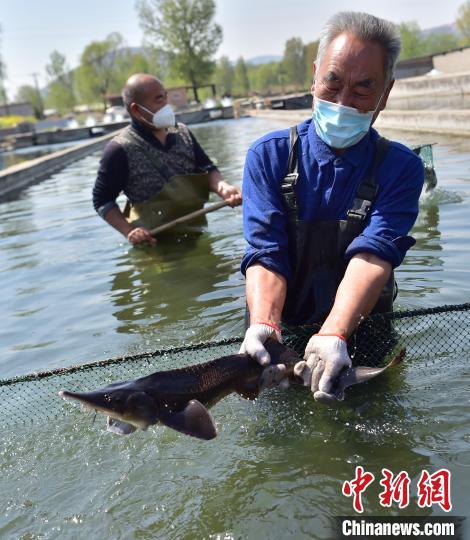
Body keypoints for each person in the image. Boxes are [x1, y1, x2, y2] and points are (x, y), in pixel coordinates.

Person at [239, 12, 425, 401]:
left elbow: (374, 254)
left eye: (363, 88)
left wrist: (334, 332)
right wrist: (264, 326)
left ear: (385, 94)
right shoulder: (268, 156)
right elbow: (266, 253)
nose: (343, 101)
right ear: (314, 75)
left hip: (363, 334)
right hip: (279, 332)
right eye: (333, 81)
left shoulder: (401, 167)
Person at [92, 74, 242, 246]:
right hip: (155, 248)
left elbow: (208, 169)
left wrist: (223, 188)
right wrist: (129, 232)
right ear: (136, 109)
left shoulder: (183, 134)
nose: (166, 106)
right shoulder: (119, 149)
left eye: (165, 98)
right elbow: (102, 200)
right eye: (158, 100)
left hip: (199, 235)